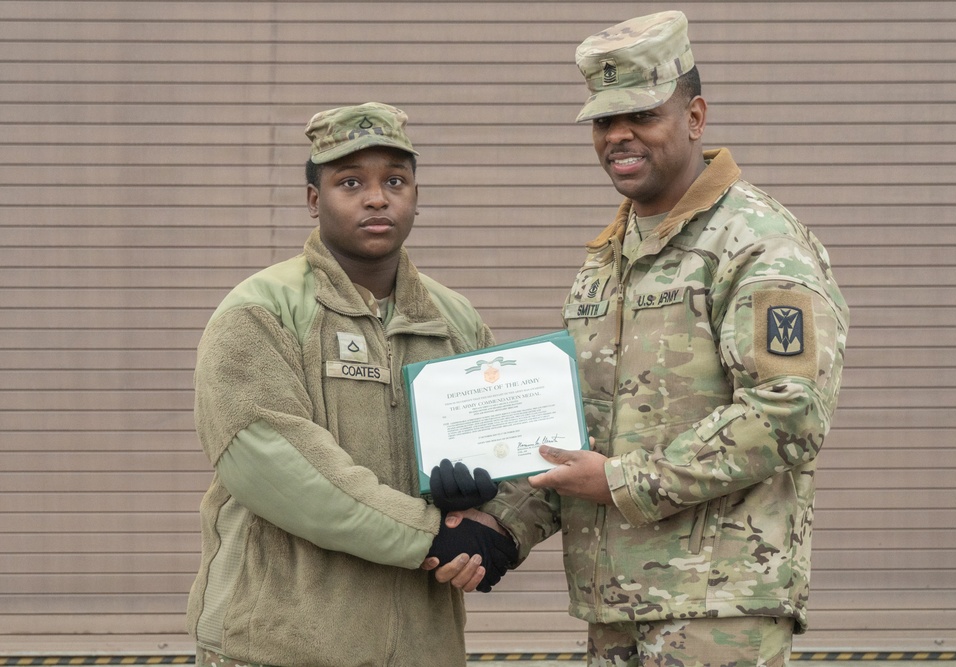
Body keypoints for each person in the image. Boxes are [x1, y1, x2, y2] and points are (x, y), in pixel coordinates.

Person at [440, 11, 850, 666]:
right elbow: (581, 434)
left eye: (642, 114)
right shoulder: (605, 261)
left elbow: (787, 412)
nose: (619, 136)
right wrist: (499, 526)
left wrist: (626, 479)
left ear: (694, 116)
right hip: (618, 607)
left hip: (719, 610)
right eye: (604, 120)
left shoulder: (758, 242)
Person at [186, 101, 516, 667]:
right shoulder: (260, 311)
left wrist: (496, 523)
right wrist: (431, 535)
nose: (376, 198)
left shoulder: (454, 320)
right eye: (349, 182)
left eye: (395, 179)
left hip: (422, 649)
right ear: (314, 199)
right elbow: (278, 464)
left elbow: (516, 445)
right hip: (276, 647)